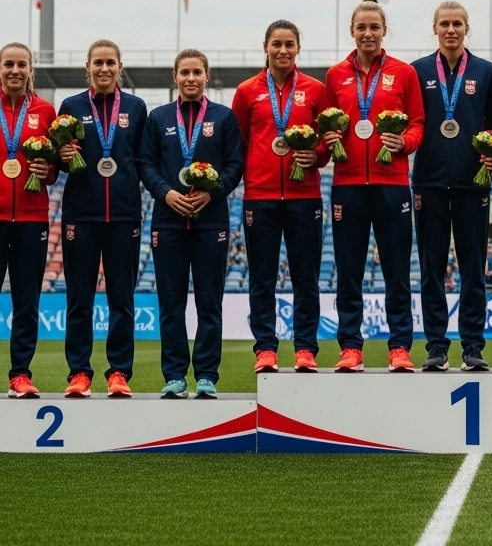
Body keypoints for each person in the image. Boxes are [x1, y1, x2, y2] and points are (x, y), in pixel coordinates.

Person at [323, 0, 425, 373]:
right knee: (348, 271)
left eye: (374, 27)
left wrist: (405, 142)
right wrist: (327, 142)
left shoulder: (404, 73)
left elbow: (418, 123)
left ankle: (399, 347)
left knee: (397, 271)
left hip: (392, 183)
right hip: (347, 183)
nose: (368, 33)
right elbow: (324, 127)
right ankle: (351, 346)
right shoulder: (335, 76)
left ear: (384, 31)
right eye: (361, 27)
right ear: (352, 31)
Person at [140, 49, 244, 398]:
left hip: (210, 222)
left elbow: (234, 165)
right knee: (171, 304)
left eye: (197, 72)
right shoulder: (157, 118)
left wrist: (212, 194)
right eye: (184, 72)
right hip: (167, 222)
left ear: (206, 75)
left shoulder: (224, 118)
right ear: (175, 77)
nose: (190, 78)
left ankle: (206, 376)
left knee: (209, 303)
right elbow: (146, 164)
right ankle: (173, 376)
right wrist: (166, 193)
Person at [231, 20, 329, 374]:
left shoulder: (316, 90)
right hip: (260, 196)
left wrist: (316, 155)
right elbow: (239, 142)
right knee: (262, 277)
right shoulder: (246, 91)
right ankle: (266, 349)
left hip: (306, 196)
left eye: (289, 44)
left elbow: (326, 143)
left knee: (306, 277)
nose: (283, 50)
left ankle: (305, 348)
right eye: (277, 44)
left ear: (298, 48)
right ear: (265, 47)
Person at [411, 1, 492, 372]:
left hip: (471, 183)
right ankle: (435, 346)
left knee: (473, 269)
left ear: (467, 28)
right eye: (444, 24)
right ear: (434, 28)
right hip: (428, 181)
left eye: (458, 24)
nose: (451, 30)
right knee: (432, 270)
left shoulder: (486, 71)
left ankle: (473, 347)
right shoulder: (416, 71)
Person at [57, 39, 147, 398]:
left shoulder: (137, 108)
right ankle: (79, 372)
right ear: (88, 67)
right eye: (98, 62)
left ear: (119, 66)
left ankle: (119, 373)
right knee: (79, 300)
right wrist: (63, 155)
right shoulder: (71, 106)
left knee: (122, 300)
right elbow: (61, 161)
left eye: (110, 62)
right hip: (81, 215)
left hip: (124, 216)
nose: (104, 68)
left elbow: (144, 162)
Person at [0, 43, 57, 398]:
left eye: (22, 64)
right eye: (9, 64)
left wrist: (46, 170)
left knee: (26, 303)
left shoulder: (45, 110)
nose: (15, 70)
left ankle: (20, 375)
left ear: (31, 69)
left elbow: (54, 169)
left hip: (32, 219)